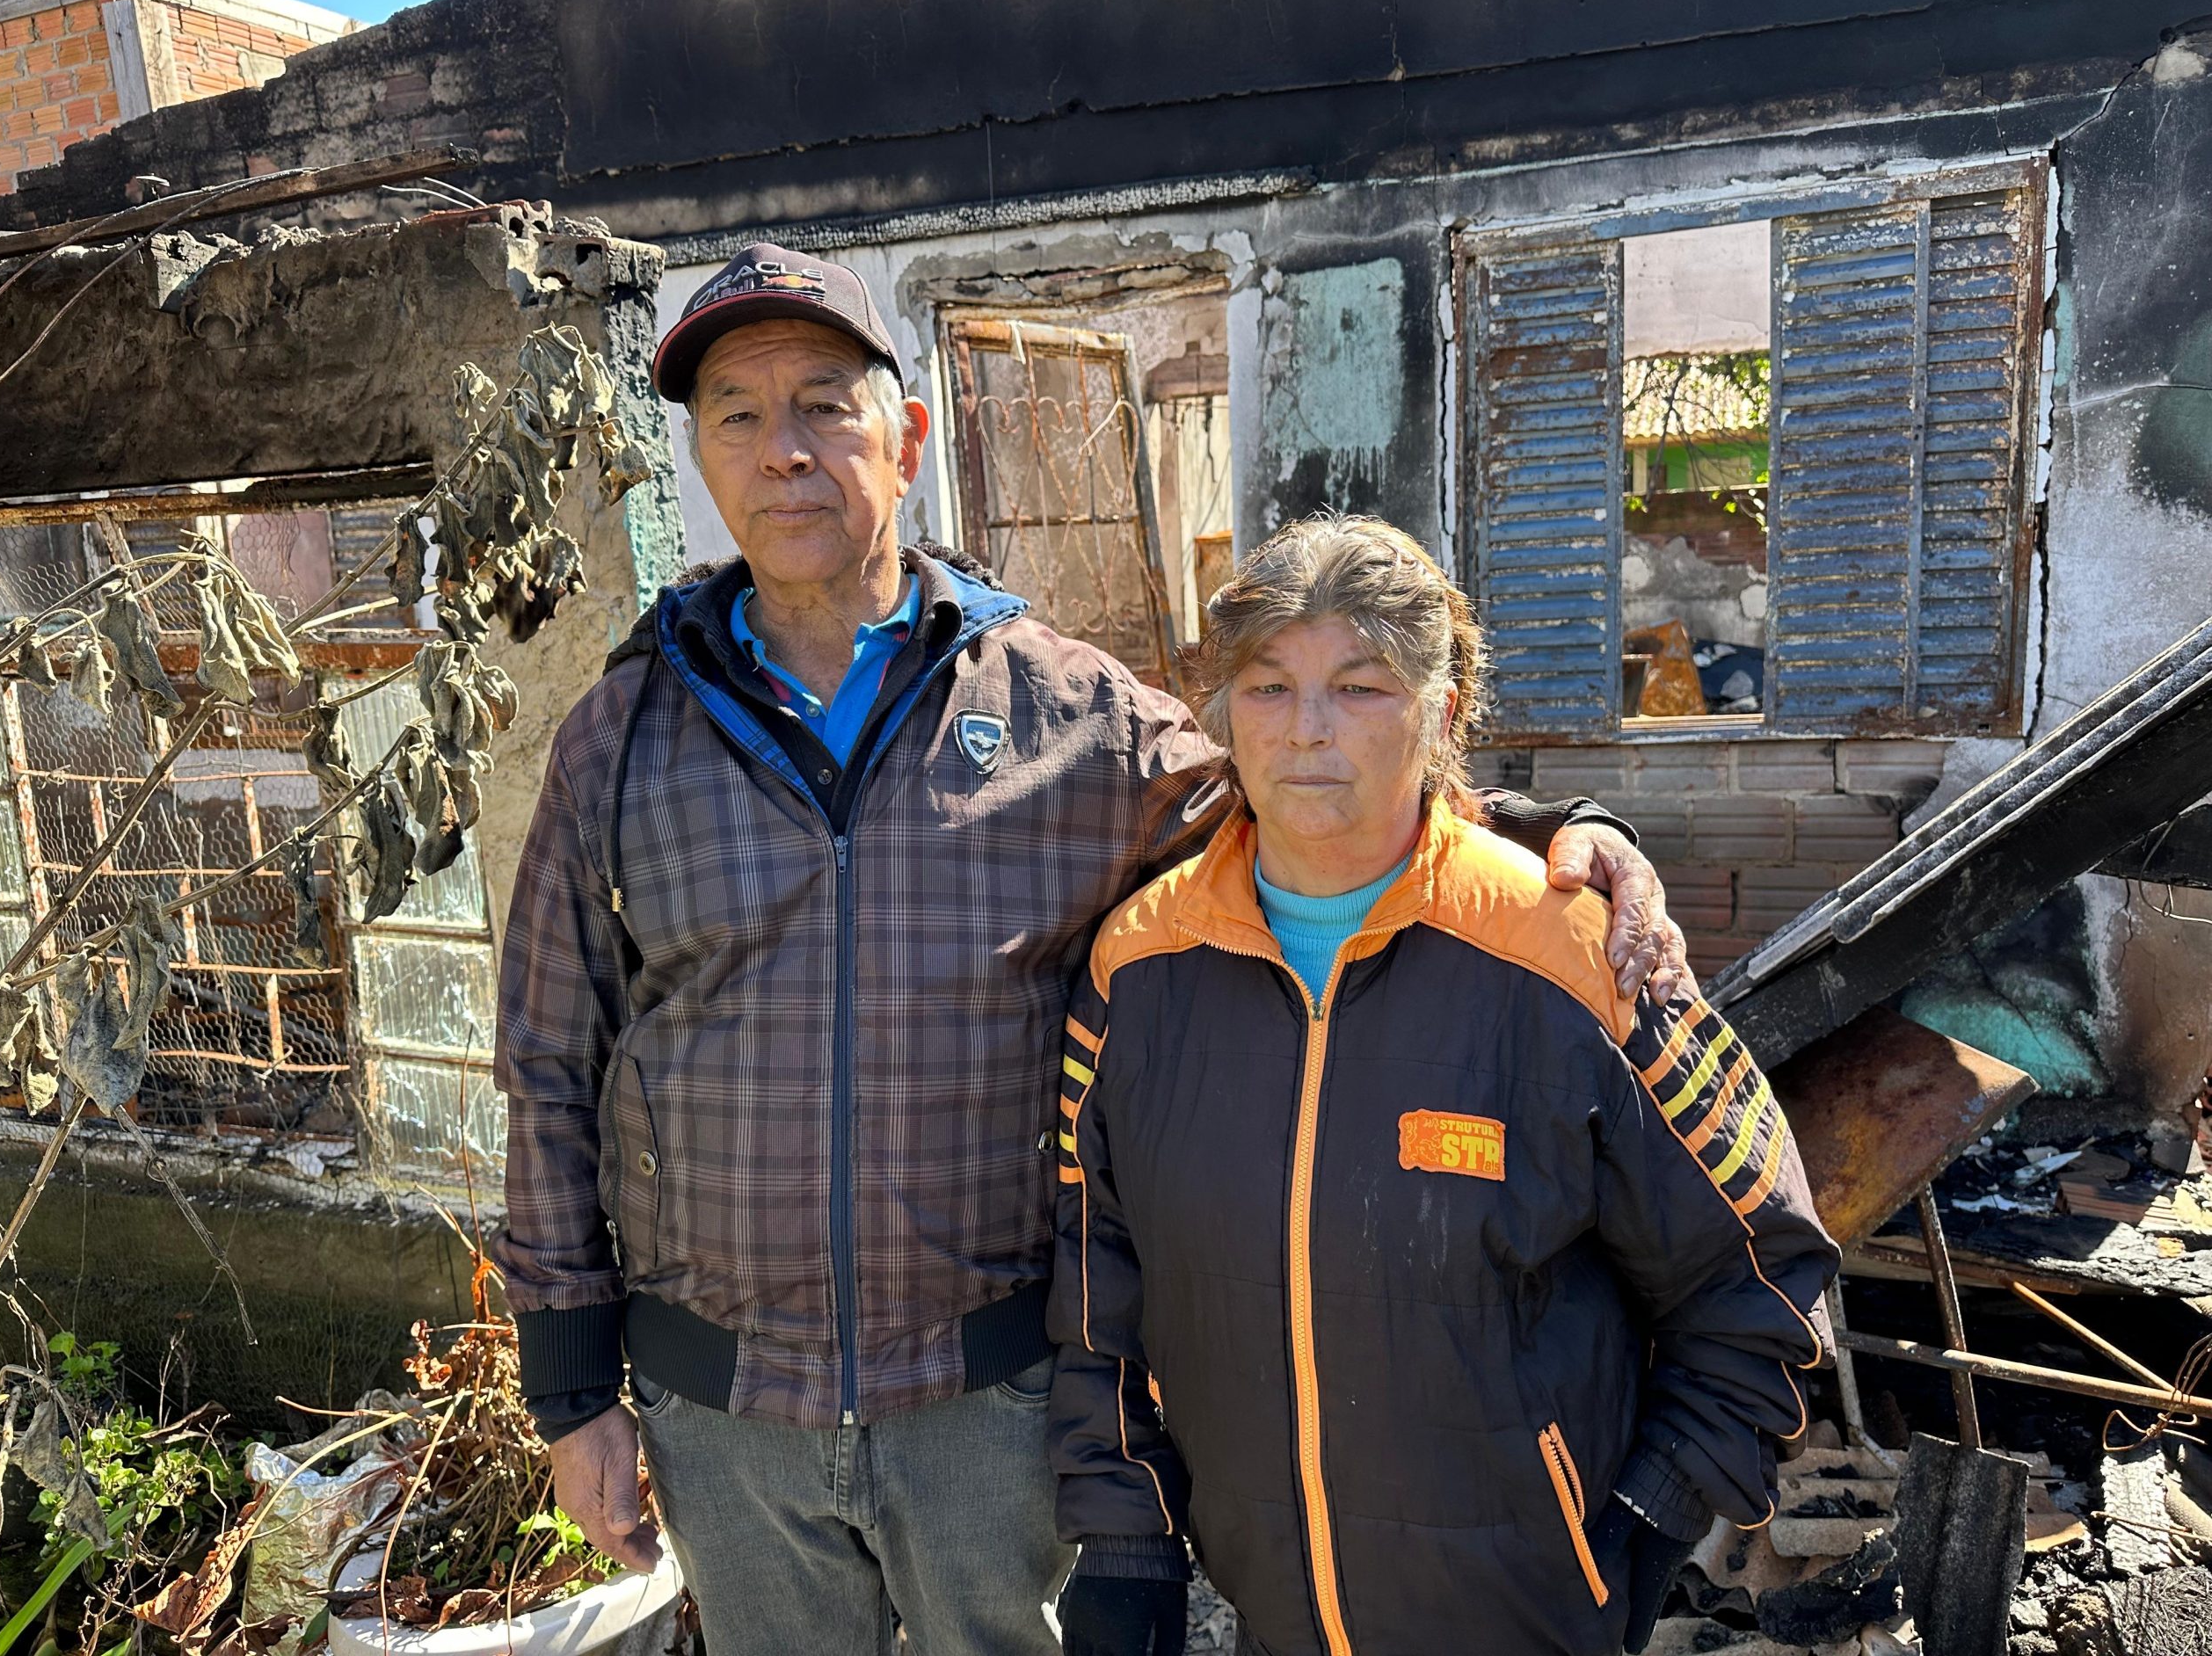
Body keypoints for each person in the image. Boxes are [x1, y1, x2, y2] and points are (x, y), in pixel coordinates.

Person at [491, 243, 1693, 1656]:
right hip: (722, 1413)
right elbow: (548, 1067)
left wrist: (1545, 827)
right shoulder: (624, 736)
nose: (786, 452)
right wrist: (576, 1397)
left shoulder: (1064, 712)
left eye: (826, 405)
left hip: (988, 1403)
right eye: (739, 417)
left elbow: (1301, 792)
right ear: (700, 456)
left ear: (909, 437)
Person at [1048, 516, 1839, 1656]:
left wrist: (1640, 1524)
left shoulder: (1571, 953)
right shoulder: (1140, 966)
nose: (1309, 730)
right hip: (1277, 1618)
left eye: (1361, 687)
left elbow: (1763, 1271)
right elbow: (1097, 1279)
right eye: (1269, 687)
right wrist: (1125, 1548)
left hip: (1529, 1618)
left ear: (1444, 709)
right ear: (1225, 714)